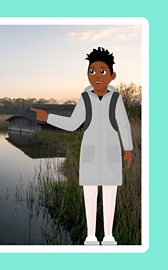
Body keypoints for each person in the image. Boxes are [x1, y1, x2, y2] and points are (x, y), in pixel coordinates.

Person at [30, 47, 133, 245]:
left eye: (102, 71)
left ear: (112, 75)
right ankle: (91, 236)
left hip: (111, 153)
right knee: (90, 195)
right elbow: (72, 124)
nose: (96, 75)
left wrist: (128, 148)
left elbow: (124, 125)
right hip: (90, 154)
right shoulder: (84, 99)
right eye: (91, 71)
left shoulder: (116, 99)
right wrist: (48, 117)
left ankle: (109, 236)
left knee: (111, 194)